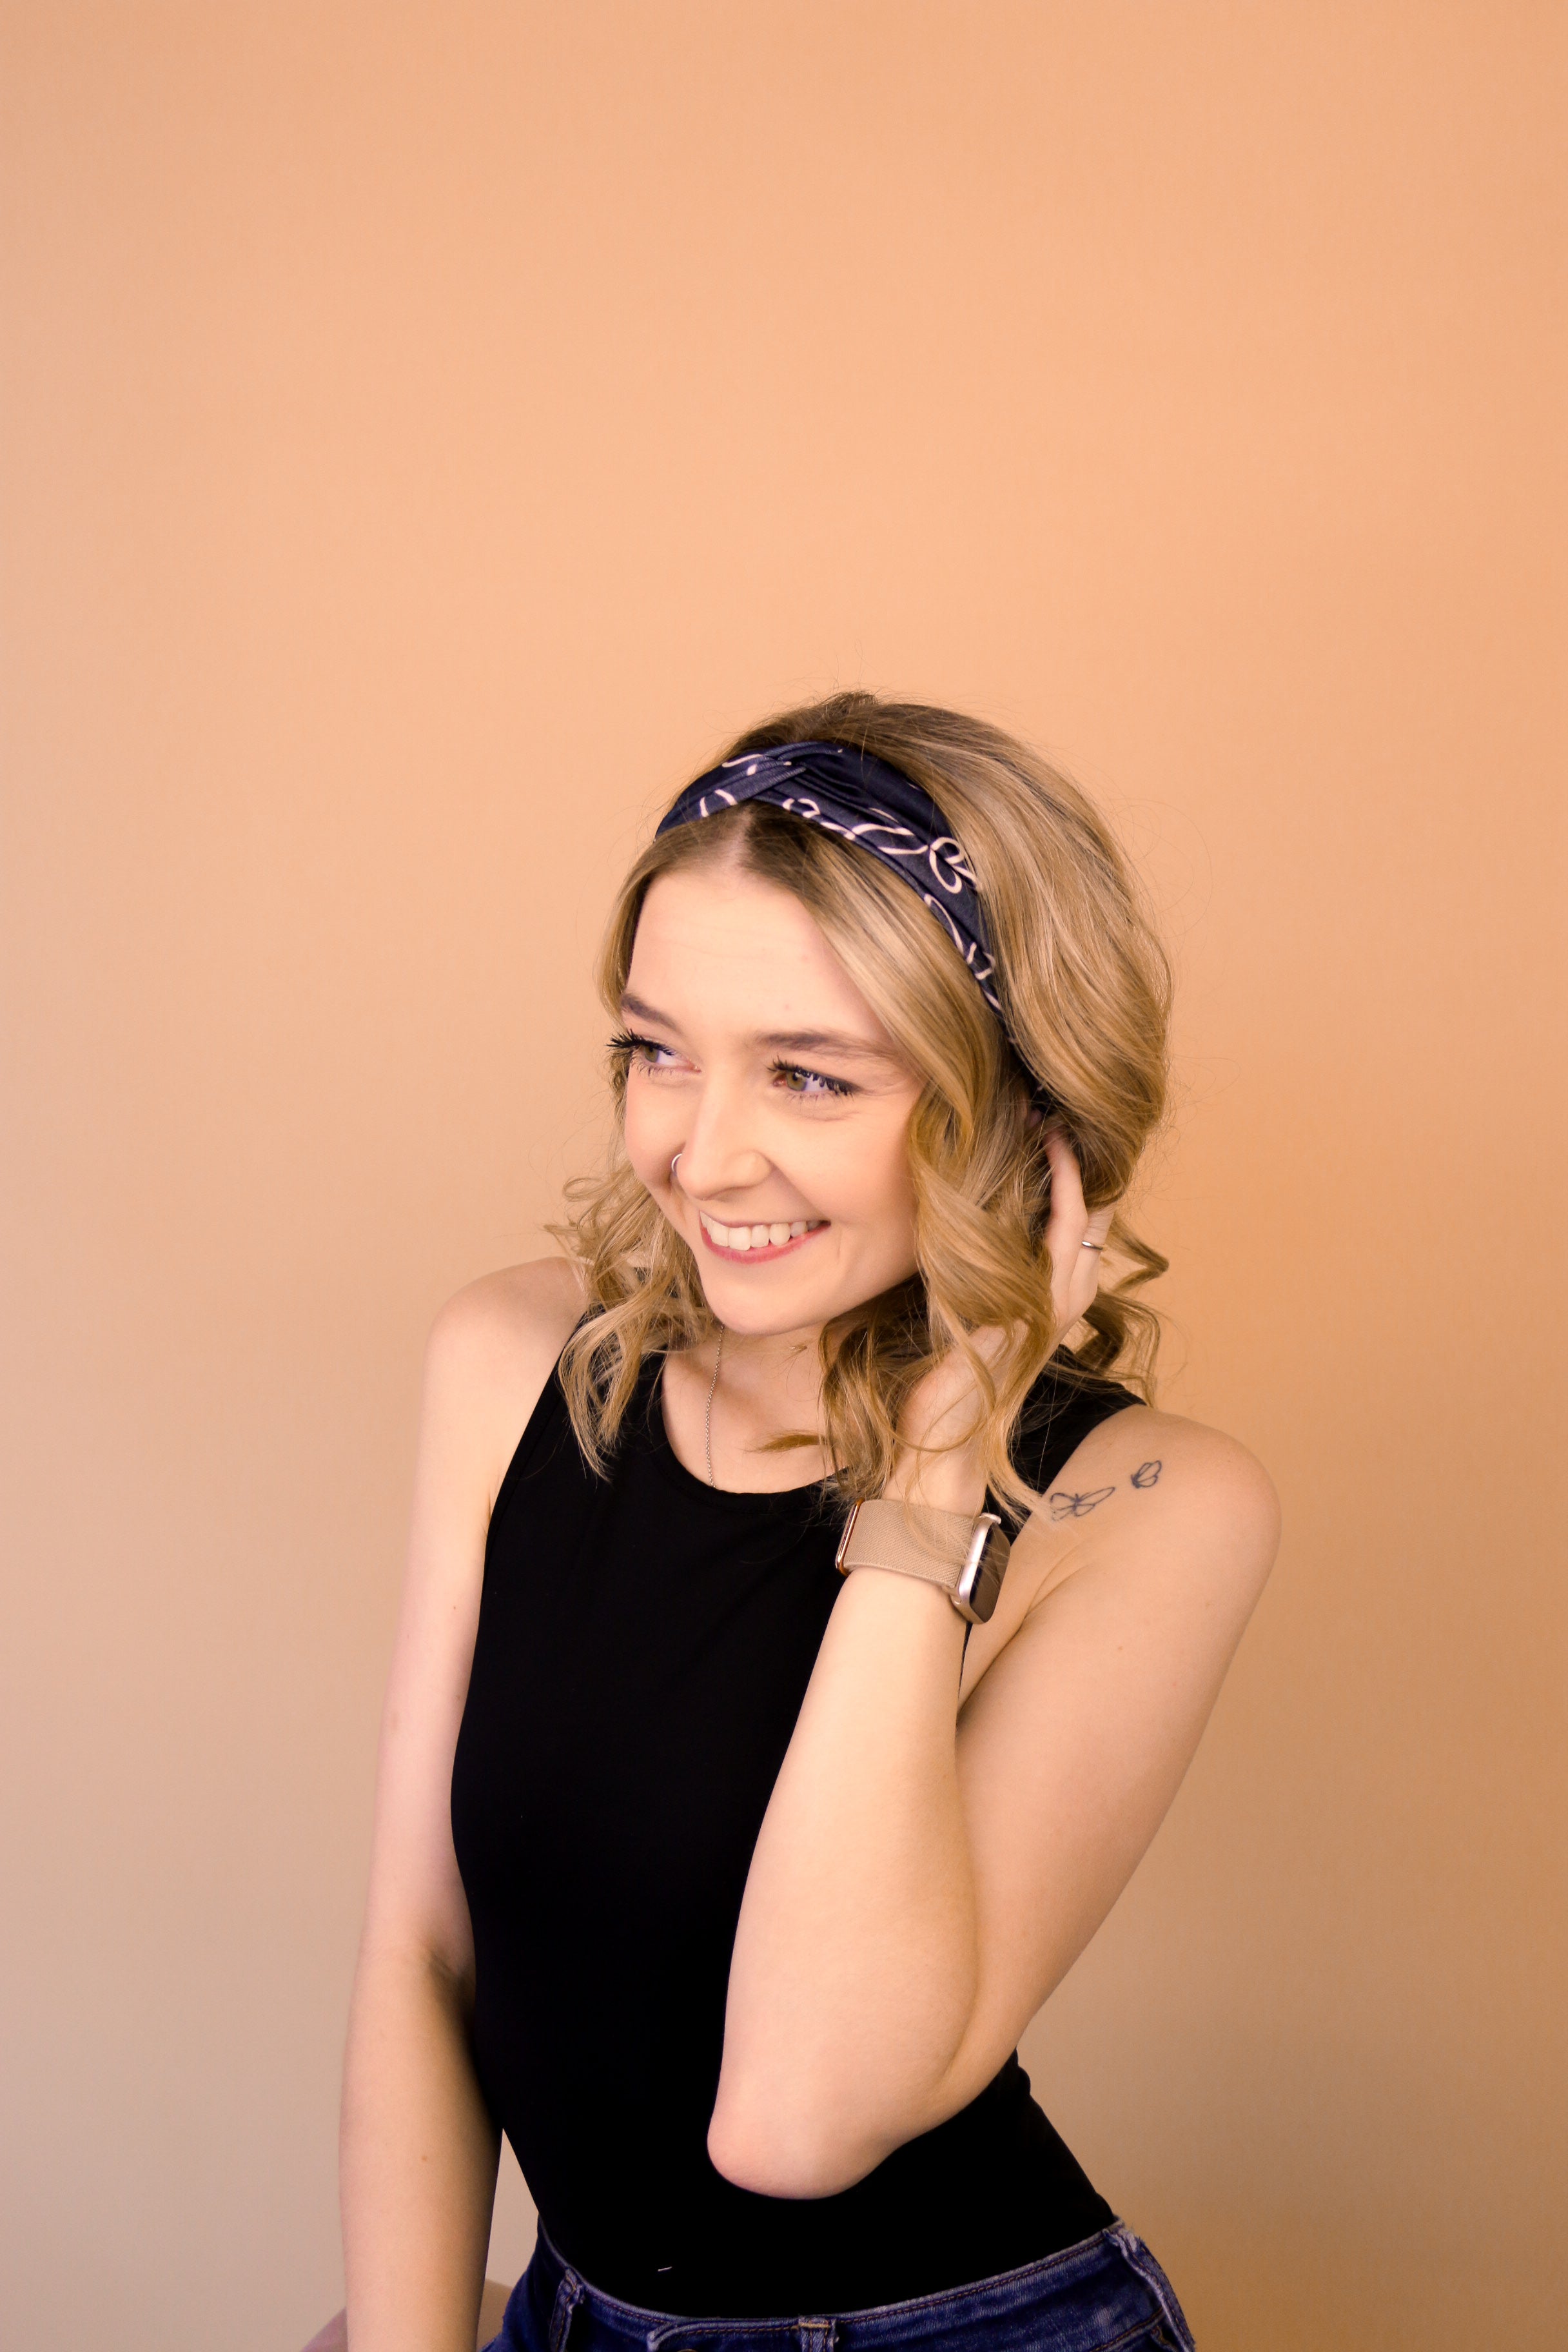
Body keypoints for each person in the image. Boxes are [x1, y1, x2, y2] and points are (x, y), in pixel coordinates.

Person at [339, 694, 1280, 2352]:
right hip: (575, 2315)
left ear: (1020, 1112)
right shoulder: (513, 1362)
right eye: (657, 1051)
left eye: (808, 1076)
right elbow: (425, 1954)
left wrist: (936, 1479)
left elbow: (795, 2120)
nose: (701, 1158)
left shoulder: (1149, 1508)